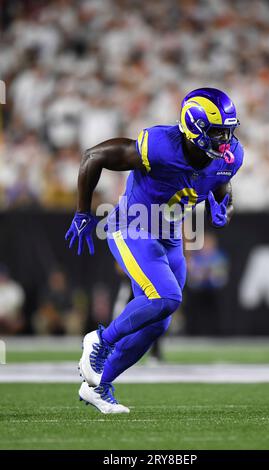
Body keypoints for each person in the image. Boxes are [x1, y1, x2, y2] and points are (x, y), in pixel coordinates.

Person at [65, 88, 244, 413]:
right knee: (166, 297)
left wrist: (224, 205)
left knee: (158, 322)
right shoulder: (159, 146)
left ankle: (98, 386)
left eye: (228, 131)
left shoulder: (230, 154)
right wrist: (82, 212)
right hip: (133, 225)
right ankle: (99, 342)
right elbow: (94, 156)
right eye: (217, 132)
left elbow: (222, 181)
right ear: (195, 127)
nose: (225, 141)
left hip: (170, 234)